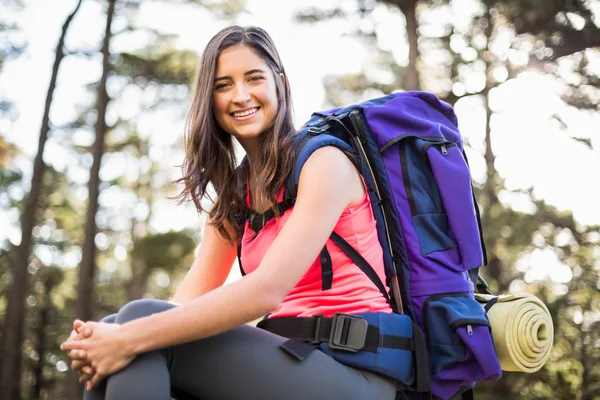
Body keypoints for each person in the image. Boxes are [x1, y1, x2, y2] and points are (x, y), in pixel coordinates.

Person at [61, 25, 397, 400]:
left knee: (136, 329)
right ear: (209, 98)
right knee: (119, 331)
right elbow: (184, 305)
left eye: (254, 78)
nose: (240, 96)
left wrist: (127, 337)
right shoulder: (234, 199)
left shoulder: (325, 162)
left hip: (358, 371)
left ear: (280, 84)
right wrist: (107, 339)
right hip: (290, 361)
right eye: (223, 85)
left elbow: (267, 290)